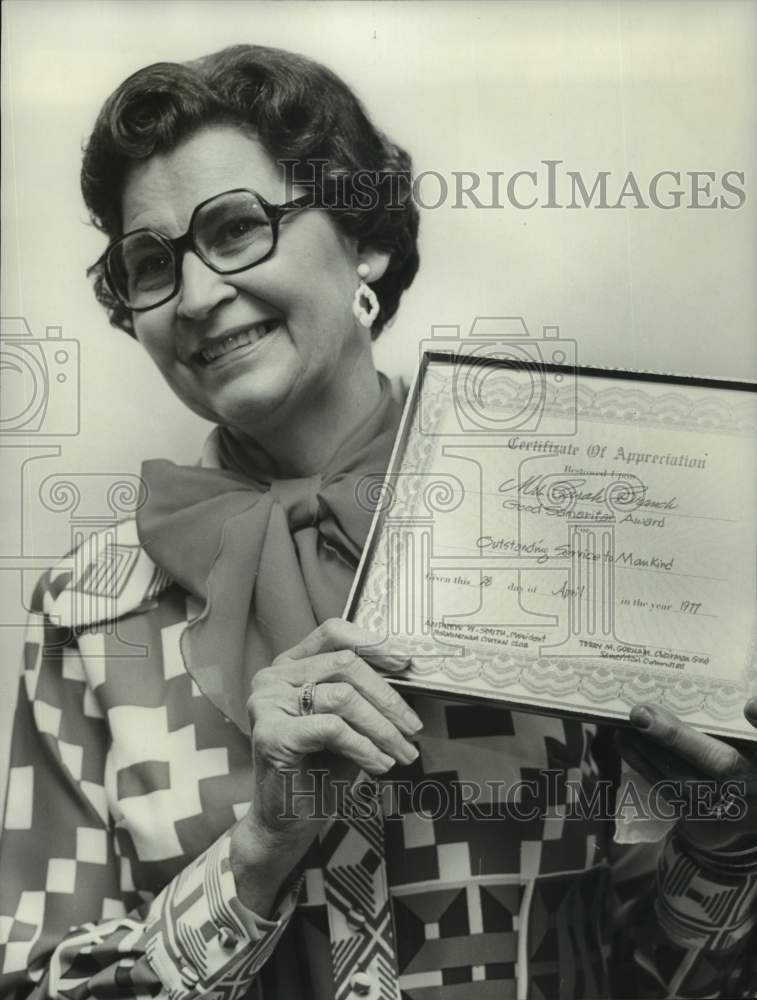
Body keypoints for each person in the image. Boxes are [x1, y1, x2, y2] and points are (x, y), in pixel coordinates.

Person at [1, 43, 756, 1000]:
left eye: (236, 229)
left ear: (366, 239)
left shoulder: (572, 541)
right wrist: (261, 847)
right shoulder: (87, 612)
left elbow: (656, 975)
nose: (193, 297)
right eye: (150, 262)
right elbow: (34, 985)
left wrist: (725, 840)